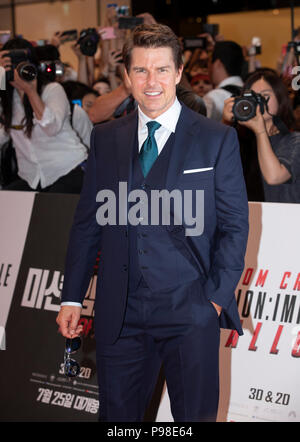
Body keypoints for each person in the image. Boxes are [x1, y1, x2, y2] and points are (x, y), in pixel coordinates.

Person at [56, 23, 249, 422]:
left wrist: (212, 301)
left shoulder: (216, 139)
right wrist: (72, 296)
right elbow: (87, 224)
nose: (151, 81)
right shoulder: (106, 138)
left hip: (190, 310)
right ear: (126, 76)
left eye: (161, 69)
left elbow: (234, 226)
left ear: (179, 73)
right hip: (121, 313)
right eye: (140, 70)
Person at [0, 38, 88, 193]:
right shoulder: (7, 101)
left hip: (69, 170)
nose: (15, 70)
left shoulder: (52, 90)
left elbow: (51, 127)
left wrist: (30, 91)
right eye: (9, 65)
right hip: (32, 179)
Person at [223, 68, 300, 203]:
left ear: (280, 98)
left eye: (264, 96)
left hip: (289, 221)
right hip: (250, 220)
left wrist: (260, 131)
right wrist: (225, 123)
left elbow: (274, 177)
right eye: (253, 98)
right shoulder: (242, 142)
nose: (259, 104)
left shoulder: (294, 141)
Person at [203, 41, 245, 121]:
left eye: (209, 62)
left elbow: (200, 130)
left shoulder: (212, 98)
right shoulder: (251, 92)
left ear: (217, 63)